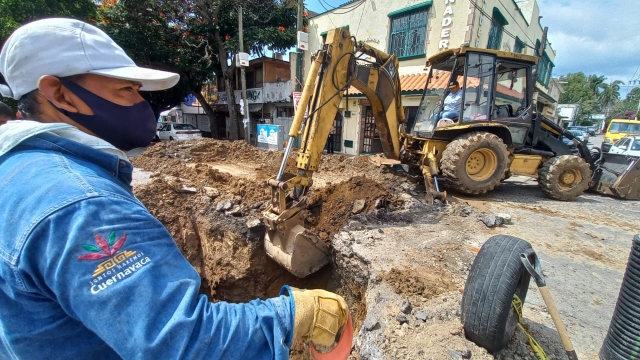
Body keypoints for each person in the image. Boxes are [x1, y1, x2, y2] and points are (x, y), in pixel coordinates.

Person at [0, 18, 348, 359]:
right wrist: (295, 314)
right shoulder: (84, 205)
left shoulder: (18, 171)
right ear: (59, 93)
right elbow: (182, 344)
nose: (141, 103)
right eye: (125, 89)